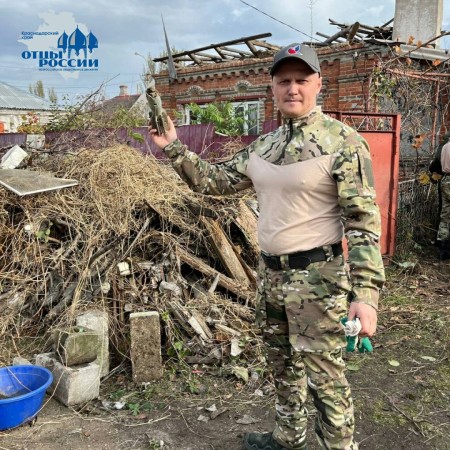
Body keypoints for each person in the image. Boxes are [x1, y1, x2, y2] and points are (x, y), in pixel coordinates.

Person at [150, 43, 385, 450]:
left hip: (319, 280)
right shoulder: (265, 146)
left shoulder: (343, 143)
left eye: (301, 80)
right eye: (284, 81)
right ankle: (288, 437)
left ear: (318, 84)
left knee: (325, 378)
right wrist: (172, 145)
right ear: (272, 88)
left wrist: (365, 296)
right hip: (271, 276)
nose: (293, 88)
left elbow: (363, 222)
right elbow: (214, 182)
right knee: (282, 366)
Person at [429, 132, 450, 259]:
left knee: (445, 214)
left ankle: (443, 248)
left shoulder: (445, 146)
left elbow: (437, 164)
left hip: (446, 180)